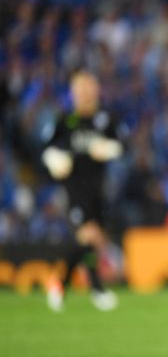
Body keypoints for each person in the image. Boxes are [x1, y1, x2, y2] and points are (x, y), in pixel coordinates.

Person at [42, 71, 124, 312]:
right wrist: (55, 159)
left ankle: (68, 283)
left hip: (98, 187)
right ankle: (88, 287)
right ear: (74, 93)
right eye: (81, 89)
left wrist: (109, 148)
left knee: (92, 239)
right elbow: (47, 148)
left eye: (90, 88)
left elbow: (123, 145)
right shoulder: (65, 119)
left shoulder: (105, 118)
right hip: (74, 187)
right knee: (89, 234)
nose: (86, 93)